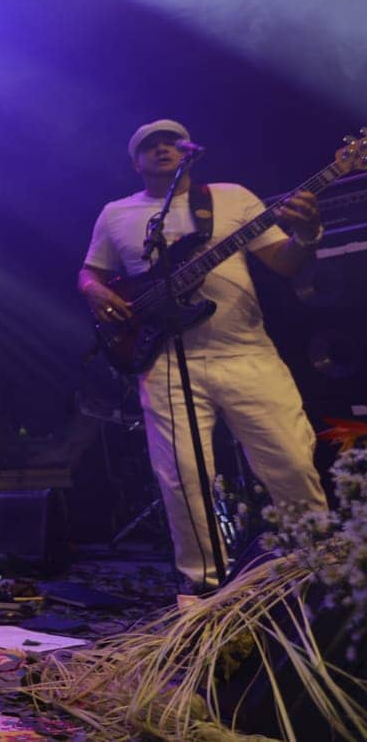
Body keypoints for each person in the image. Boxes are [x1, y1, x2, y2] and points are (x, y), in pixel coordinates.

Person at [79, 119, 328, 592]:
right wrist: (94, 294)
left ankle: (317, 573)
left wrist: (309, 233)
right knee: (181, 479)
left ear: (187, 150)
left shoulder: (233, 197)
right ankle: (203, 588)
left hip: (245, 353)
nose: (162, 149)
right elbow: (89, 273)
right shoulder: (116, 214)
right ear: (137, 162)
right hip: (166, 361)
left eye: (171, 141)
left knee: (292, 462)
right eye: (150, 145)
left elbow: (286, 263)